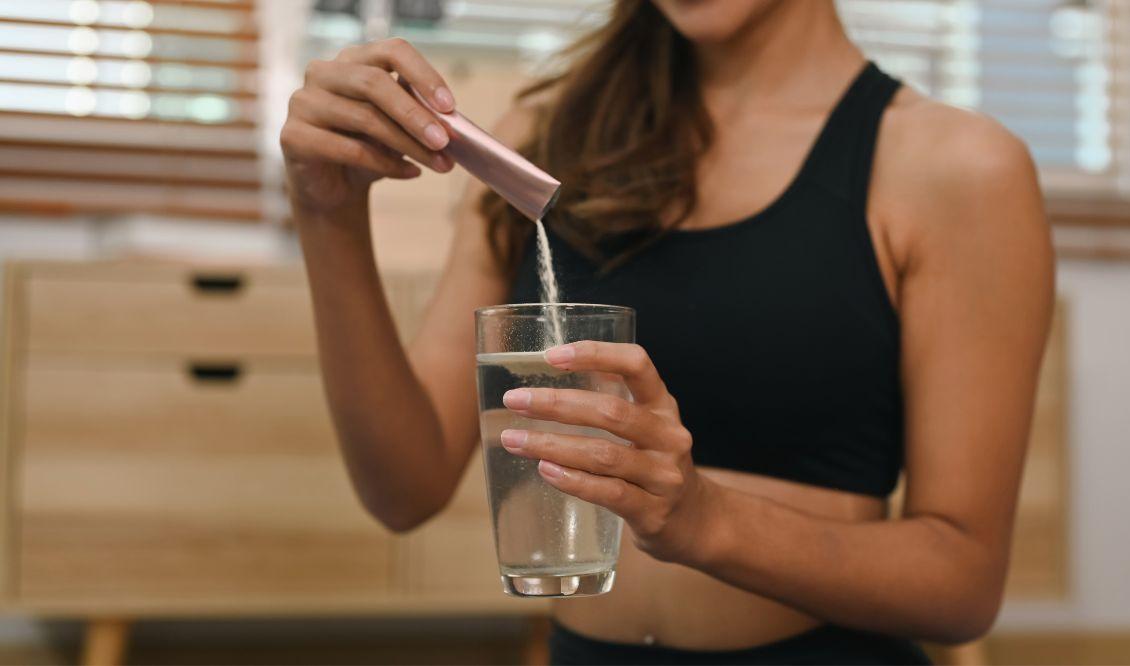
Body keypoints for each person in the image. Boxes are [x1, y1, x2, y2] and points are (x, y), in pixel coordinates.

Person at [281, 0, 1054, 663]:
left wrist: (704, 520)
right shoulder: (541, 141)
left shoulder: (954, 167)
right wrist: (328, 212)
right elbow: (403, 488)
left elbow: (960, 582)